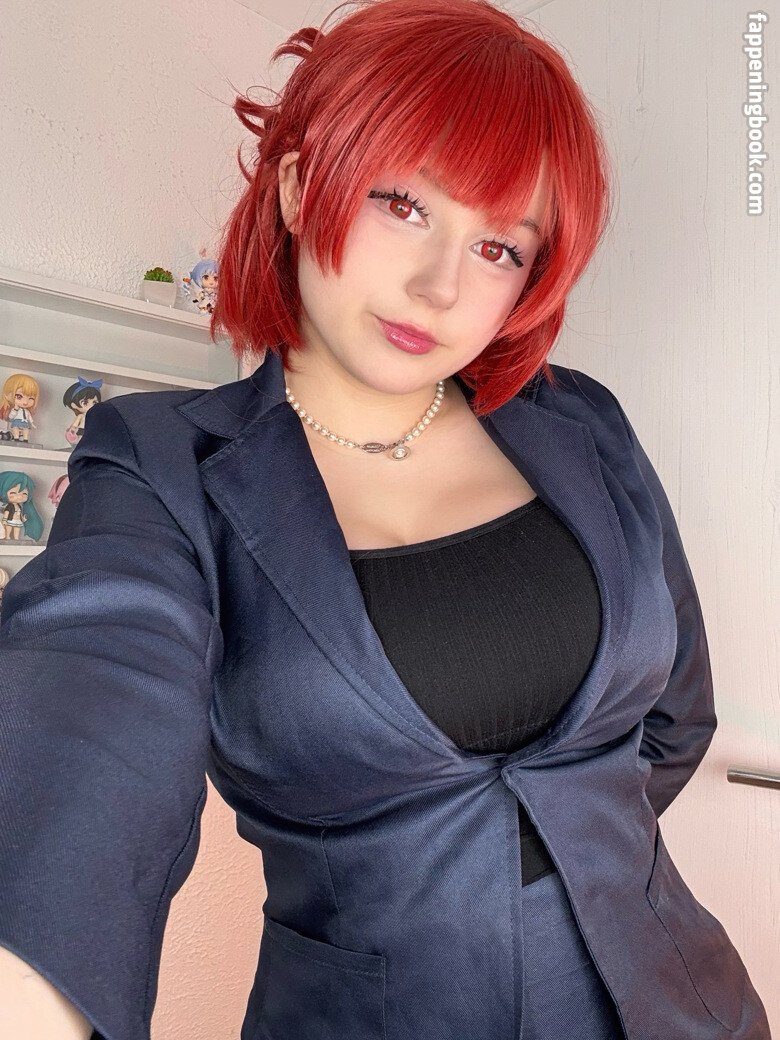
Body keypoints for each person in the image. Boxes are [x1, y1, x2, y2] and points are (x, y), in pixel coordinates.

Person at [0, 0, 772, 1038]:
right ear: (295, 186)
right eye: (403, 204)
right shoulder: (161, 463)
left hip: (687, 1006)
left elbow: (674, 720)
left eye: (499, 247)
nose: (439, 285)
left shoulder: (580, 422)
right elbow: (87, 729)